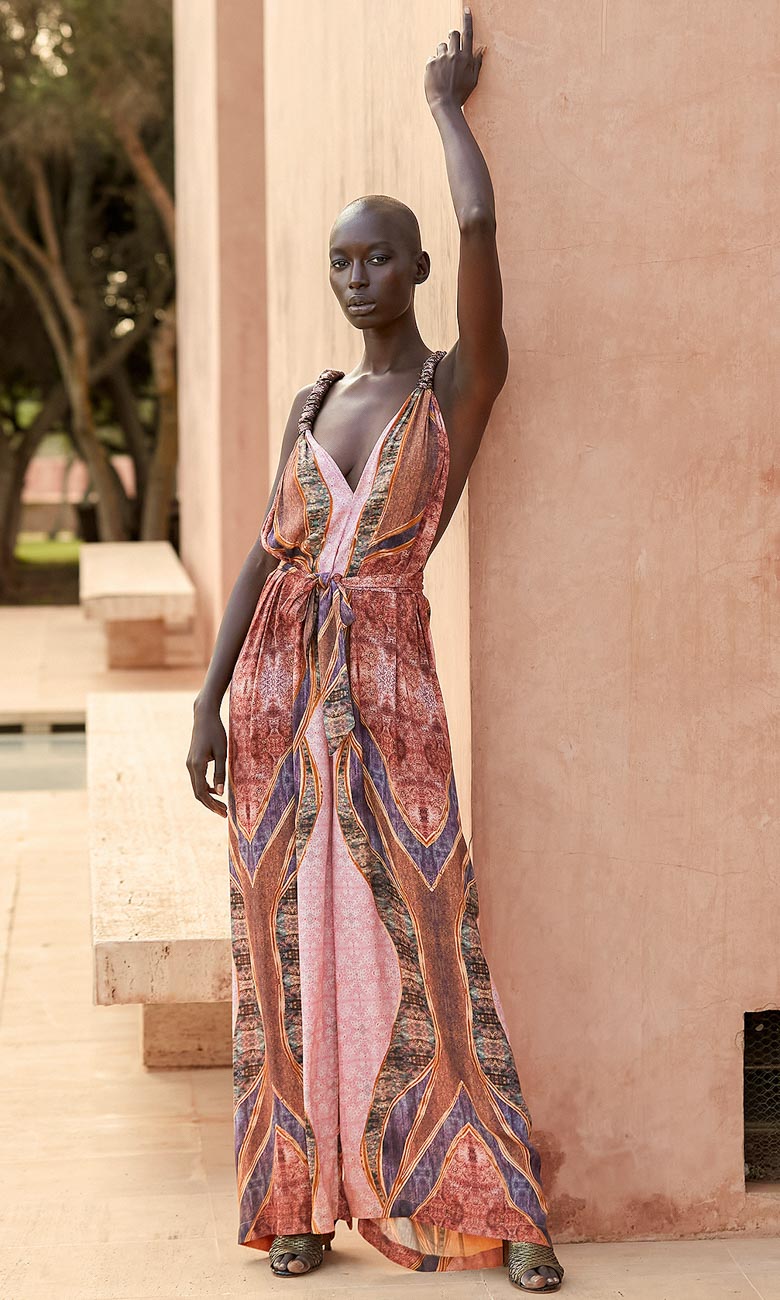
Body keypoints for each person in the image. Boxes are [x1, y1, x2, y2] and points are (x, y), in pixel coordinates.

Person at [186, 8, 565, 1293]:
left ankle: (501, 1205)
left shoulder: (457, 386)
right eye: (342, 261)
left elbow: (482, 227)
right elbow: (265, 556)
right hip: (277, 698)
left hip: (392, 693)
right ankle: (298, 1200)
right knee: (286, 950)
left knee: (431, 938)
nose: (357, 277)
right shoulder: (314, 401)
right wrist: (208, 697)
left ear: (414, 268)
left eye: (378, 257)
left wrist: (446, 111)